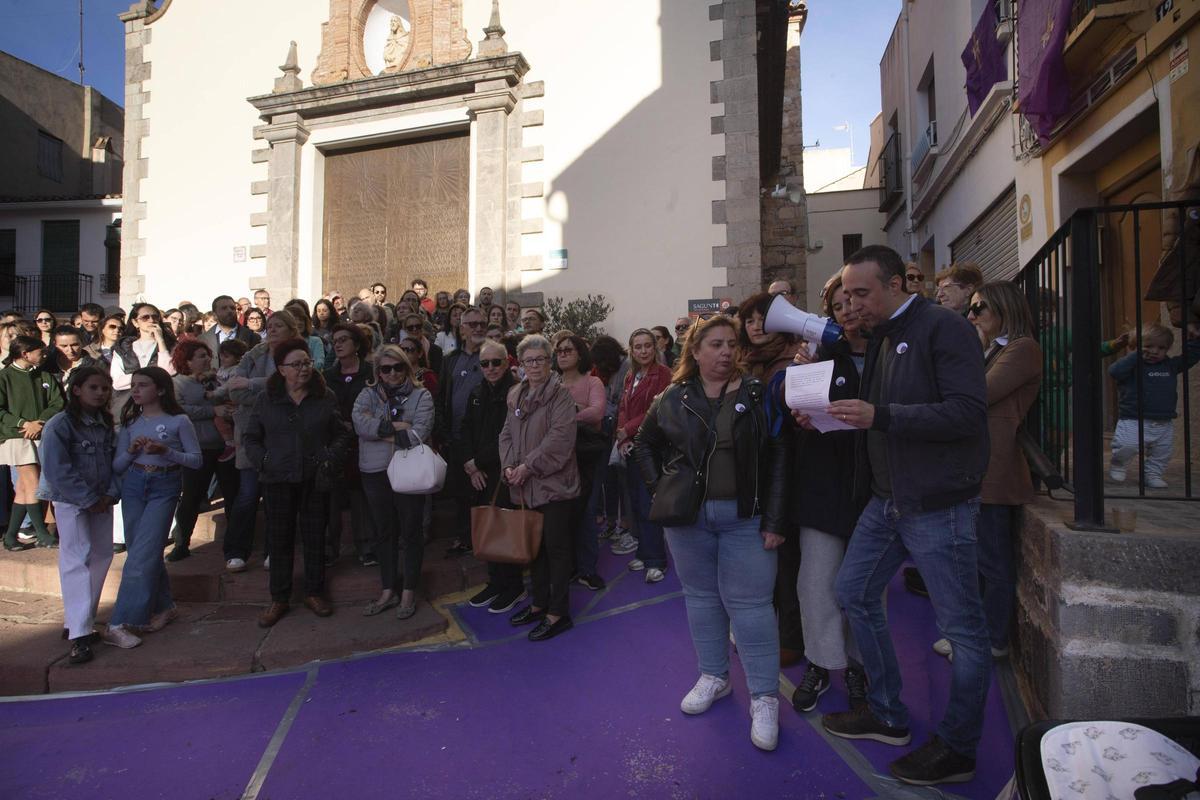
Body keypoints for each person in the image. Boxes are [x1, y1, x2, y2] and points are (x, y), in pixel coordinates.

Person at [821, 244, 990, 786]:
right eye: (847, 295)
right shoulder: (883, 336)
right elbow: (879, 418)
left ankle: (958, 749)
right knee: (852, 591)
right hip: (889, 499)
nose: (852, 304)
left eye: (861, 293)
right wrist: (834, 417)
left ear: (896, 285)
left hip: (938, 503)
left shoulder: (945, 328)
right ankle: (887, 714)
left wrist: (881, 415)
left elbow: (967, 413)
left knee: (963, 632)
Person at [631, 314, 788, 751]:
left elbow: (779, 455)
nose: (725, 351)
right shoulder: (674, 396)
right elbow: (643, 443)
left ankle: (764, 697)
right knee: (700, 598)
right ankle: (714, 676)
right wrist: (660, 489)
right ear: (695, 352)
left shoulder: (757, 393)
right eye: (715, 344)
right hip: (689, 520)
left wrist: (775, 520)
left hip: (746, 519)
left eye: (731, 344)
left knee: (752, 608)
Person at [922, 281, 1041, 662]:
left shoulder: (1022, 348)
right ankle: (972, 634)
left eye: (979, 308)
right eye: (970, 308)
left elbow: (977, 392)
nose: (971, 315)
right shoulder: (992, 349)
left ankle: (992, 638)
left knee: (992, 560)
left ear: (1004, 308)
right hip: (975, 465)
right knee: (971, 560)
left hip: (996, 468)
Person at [788, 275, 869, 713]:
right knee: (816, 583)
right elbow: (797, 413)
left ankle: (860, 666)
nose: (848, 310)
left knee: (866, 590)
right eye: (838, 306)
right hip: (823, 485)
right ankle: (820, 662)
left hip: (872, 489)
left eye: (854, 299)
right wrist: (801, 411)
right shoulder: (817, 357)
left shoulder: (889, 354)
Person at [244, 338, 351, 628]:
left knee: (315, 536)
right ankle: (279, 597)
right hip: (277, 478)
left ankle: (314, 592)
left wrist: (329, 458)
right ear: (281, 369)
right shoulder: (267, 399)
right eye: (296, 364)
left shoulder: (324, 396)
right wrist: (264, 460)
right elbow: (251, 437)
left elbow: (341, 433)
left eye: (307, 363)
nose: (304, 369)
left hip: (314, 477)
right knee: (279, 539)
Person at [107, 366, 202, 649]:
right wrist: (131, 451)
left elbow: (196, 460)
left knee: (143, 553)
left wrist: (166, 451)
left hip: (165, 485)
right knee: (141, 550)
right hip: (134, 485)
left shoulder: (179, 421)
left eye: (143, 385)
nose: (135, 390)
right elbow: (118, 466)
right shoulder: (130, 422)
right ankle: (164, 606)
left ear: (160, 389)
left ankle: (122, 621)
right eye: (134, 385)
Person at [737, 292, 806, 665]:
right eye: (748, 320)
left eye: (762, 319)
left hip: (789, 470)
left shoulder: (796, 359)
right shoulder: (743, 362)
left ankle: (791, 638)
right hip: (752, 476)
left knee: (786, 562)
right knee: (756, 564)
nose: (755, 326)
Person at [500, 334, 580, 641]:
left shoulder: (561, 396)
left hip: (555, 486)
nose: (534, 365)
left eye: (540, 359)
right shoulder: (515, 395)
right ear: (521, 364)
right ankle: (538, 604)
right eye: (528, 360)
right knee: (534, 549)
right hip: (525, 486)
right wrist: (509, 465)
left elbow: (560, 440)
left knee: (556, 549)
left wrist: (527, 467)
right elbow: (506, 434)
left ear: (550, 362)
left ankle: (558, 612)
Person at [37, 367, 118, 664]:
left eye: (104, 388)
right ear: (76, 389)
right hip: (71, 501)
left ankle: (81, 619)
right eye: (93, 387)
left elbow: (114, 462)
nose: (100, 393)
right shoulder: (60, 424)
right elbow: (57, 469)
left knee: (102, 556)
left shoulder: (105, 424)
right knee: (76, 559)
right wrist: (88, 498)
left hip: (101, 499)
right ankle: (79, 635)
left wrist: (109, 493)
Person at [353, 345, 434, 620]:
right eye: (385, 369)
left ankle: (409, 590)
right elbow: (359, 424)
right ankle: (388, 590)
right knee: (384, 533)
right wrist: (397, 427)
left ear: (406, 368)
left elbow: (418, 433)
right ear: (378, 372)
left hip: (409, 470)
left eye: (398, 367)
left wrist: (377, 430)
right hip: (375, 471)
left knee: (411, 531)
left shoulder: (422, 395)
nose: (392, 373)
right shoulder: (367, 394)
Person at [223, 311, 303, 572]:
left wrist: (250, 384)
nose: (273, 330)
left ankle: (273, 549)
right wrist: (266, 394)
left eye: (279, 325)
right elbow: (234, 391)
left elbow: (290, 384)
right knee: (247, 495)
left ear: (291, 329)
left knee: (276, 499)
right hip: (251, 432)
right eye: (270, 326)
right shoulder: (254, 354)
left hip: (281, 436)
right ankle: (236, 551)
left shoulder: (298, 353)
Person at [462, 340, 524, 612]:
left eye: (496, 362)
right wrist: (470, 464)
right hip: (478, 471)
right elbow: (465, 428)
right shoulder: (477, 392)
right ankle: (495, 581)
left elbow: (507, 436)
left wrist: (477, 462)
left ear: (507, 362)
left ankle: (513, 586)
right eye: (484, 364)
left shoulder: (517, 392)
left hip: (504, 471)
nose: (490, 368)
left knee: (504, 529)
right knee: (487, 528)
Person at [167, 338, 241, 562]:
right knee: (191, 497)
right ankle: (182, 544)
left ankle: (234, 547)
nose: (208, 359)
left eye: (208, 355)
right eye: (201, 356)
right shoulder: (177, 383)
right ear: (187, 361)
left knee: (233, 496)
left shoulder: (216, 379)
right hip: (197, 448)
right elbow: (178, 409)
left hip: (225, 447)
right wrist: (212, 411)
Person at [1108, 322, 1200, 489]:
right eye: (1148, 346)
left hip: (1163, 421)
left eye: (1161, 348)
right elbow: (1114, 371)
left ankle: (1152, 474)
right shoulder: (1132, 366)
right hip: (1133, 419)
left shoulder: (1169, 365)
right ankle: (1119, 464)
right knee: (1127, 446)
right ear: (1135, 347)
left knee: (1162, 452)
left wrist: (1194, 341)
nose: (1155, 351)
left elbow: (1190, 358)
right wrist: (1135, 356)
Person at [612, 329, 672, 581]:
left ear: (655, 348)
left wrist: (627, 429)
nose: (644, 351)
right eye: (638, 346)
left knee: (649, 503)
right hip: (632, 445)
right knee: (635, 501)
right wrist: (623, 435)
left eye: (648, 345)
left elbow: (655, 408)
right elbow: (623, 407)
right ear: (631, 350)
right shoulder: (631, 375)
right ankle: (644, 552)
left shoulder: (664, 374)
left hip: (652, 446)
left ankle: (656, 559)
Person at [0, 336, 66, 550]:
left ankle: (10, 537)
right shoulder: (4, 377)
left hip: (40, 434)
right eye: (40, 352)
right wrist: (23, 423)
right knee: (33, 481)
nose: (44, 355)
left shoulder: (45, 375)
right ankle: (41, 533)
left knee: (23, 487)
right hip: (16, 436)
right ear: (25, 354)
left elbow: (58, 402)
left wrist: (39, 422)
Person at [553, 334, 608, 590]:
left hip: (586, 456)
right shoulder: (552, 383)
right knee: (563, 514)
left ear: (580, 354)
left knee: (587, 512)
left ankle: (587, 569)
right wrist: (574, 410)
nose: (563, 354)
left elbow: (597, 412)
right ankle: (569, 566)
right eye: (559, 351)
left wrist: (565, 414)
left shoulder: (593, 381)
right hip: (557, 458)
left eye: (569, 350)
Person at [323, 323, 376, 566]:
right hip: (335, 442)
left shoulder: (371, 373)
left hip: (363, 441)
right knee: (331, 498)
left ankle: (366, 547)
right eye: (335, 341)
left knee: (360, 496)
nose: (338, 344)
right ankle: (329, 548)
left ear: (356, 344)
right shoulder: (327, 376)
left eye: (344, 339)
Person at [438, 306, 487, 556]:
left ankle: (486, 539)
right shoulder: (450, 360)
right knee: (461, 493)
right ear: (462, 329)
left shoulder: (493, 356)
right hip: (456, 438)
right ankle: (464, 538)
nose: (478, 328)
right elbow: (441, 397)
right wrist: (444, 434)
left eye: (482, 324)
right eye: (473, 324)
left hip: (485, 439)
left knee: (484, 492)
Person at [111, 304, 176, 397]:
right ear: (135, 322)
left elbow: (168, 371)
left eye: (155, 317)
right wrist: (150, 376)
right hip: (128, 399)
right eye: (145, 317)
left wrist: (160, 340)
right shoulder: (122, 347)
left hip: (158, 398)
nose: (151, 320)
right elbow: (117, 382)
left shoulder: (170, 345)